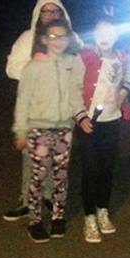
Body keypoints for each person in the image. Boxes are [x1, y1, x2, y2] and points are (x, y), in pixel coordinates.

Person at [3, 0, 82, 221]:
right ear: (38, 14)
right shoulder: (28, 38)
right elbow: (11, 68)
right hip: (35, 110)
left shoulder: (72, 38)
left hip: (63, 110)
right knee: (32, 158)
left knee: (57, 158)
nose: (51, 15)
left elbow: (82, 67)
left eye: (55, 11)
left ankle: (49, 197)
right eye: (46, 11)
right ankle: (27, 201)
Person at [12, 18, 87, 243]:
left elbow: (75, 94)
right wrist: (21, 131)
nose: (58, 40)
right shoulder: (33, 67)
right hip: (39, 130)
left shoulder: (72, 63)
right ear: (44, 39)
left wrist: (80, 117)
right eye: (53, 36)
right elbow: (23, 101)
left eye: (62, 36)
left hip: (64, 128)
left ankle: (58, 217)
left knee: (61, 176)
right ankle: (34, 220)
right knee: (38, 176)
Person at [76, 16, 130, 244]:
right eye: (100, 32)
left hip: (112, 120)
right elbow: (73, 88)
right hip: (89, 122)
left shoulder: (123, 57)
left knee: (107, 169)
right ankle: (89, 217)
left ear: (117, 35)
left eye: (109, 32)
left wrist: (122, 94)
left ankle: (103, 210)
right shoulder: (84, 56)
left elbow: (129, 77)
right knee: (90, 169)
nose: (104, 37)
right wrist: (80, 117)